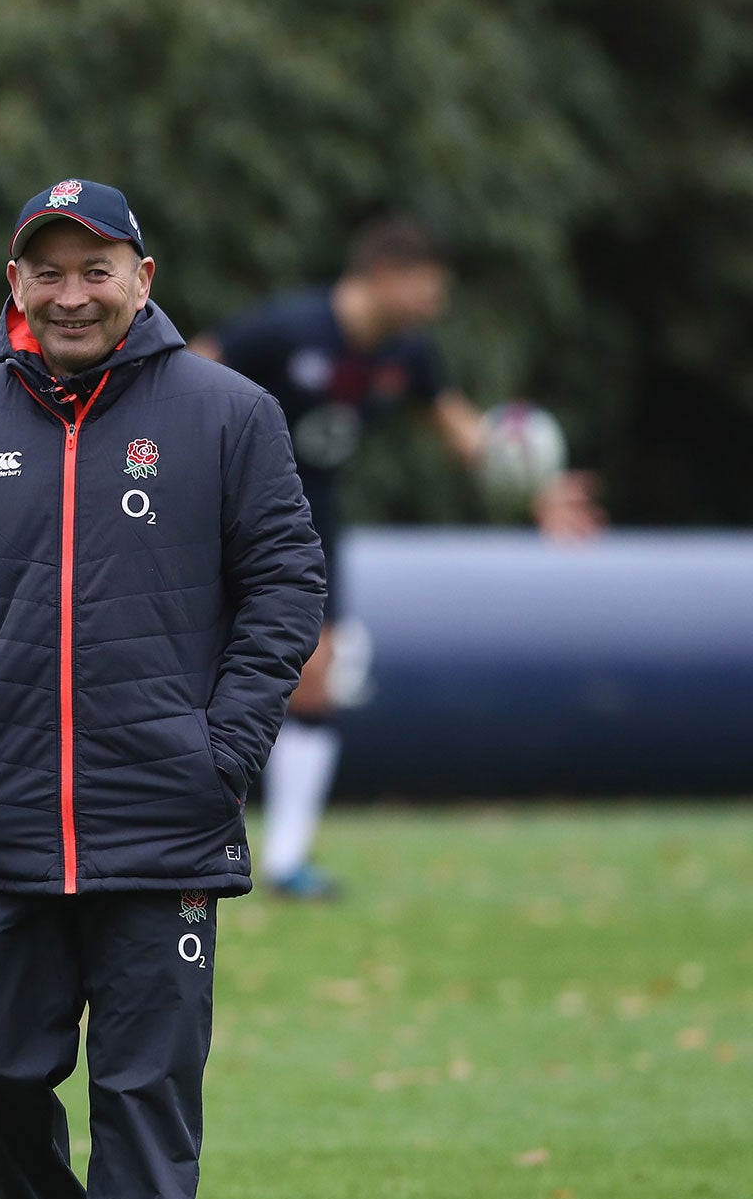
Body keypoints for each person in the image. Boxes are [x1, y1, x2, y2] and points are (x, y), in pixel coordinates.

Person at [0, 178, 324, 1199]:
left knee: (143, 1101)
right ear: (12, 285)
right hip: (0, 815)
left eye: (96, 268)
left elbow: (285, 583)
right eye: (47, 269)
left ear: (142, 275)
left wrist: (218, 749)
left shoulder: (227, 414)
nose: (71, 292)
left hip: (161, 821)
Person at [188, 215, 601, 898]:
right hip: (227, 505)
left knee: (318, 672)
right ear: (382, 276)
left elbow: (465, 433)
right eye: (425, 288)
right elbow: (190, 370)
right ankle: (174, 836)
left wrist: (538, 490)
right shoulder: (287, 328)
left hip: (312, 515)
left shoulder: (408, 355)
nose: (434, 305)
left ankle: (287, 863)